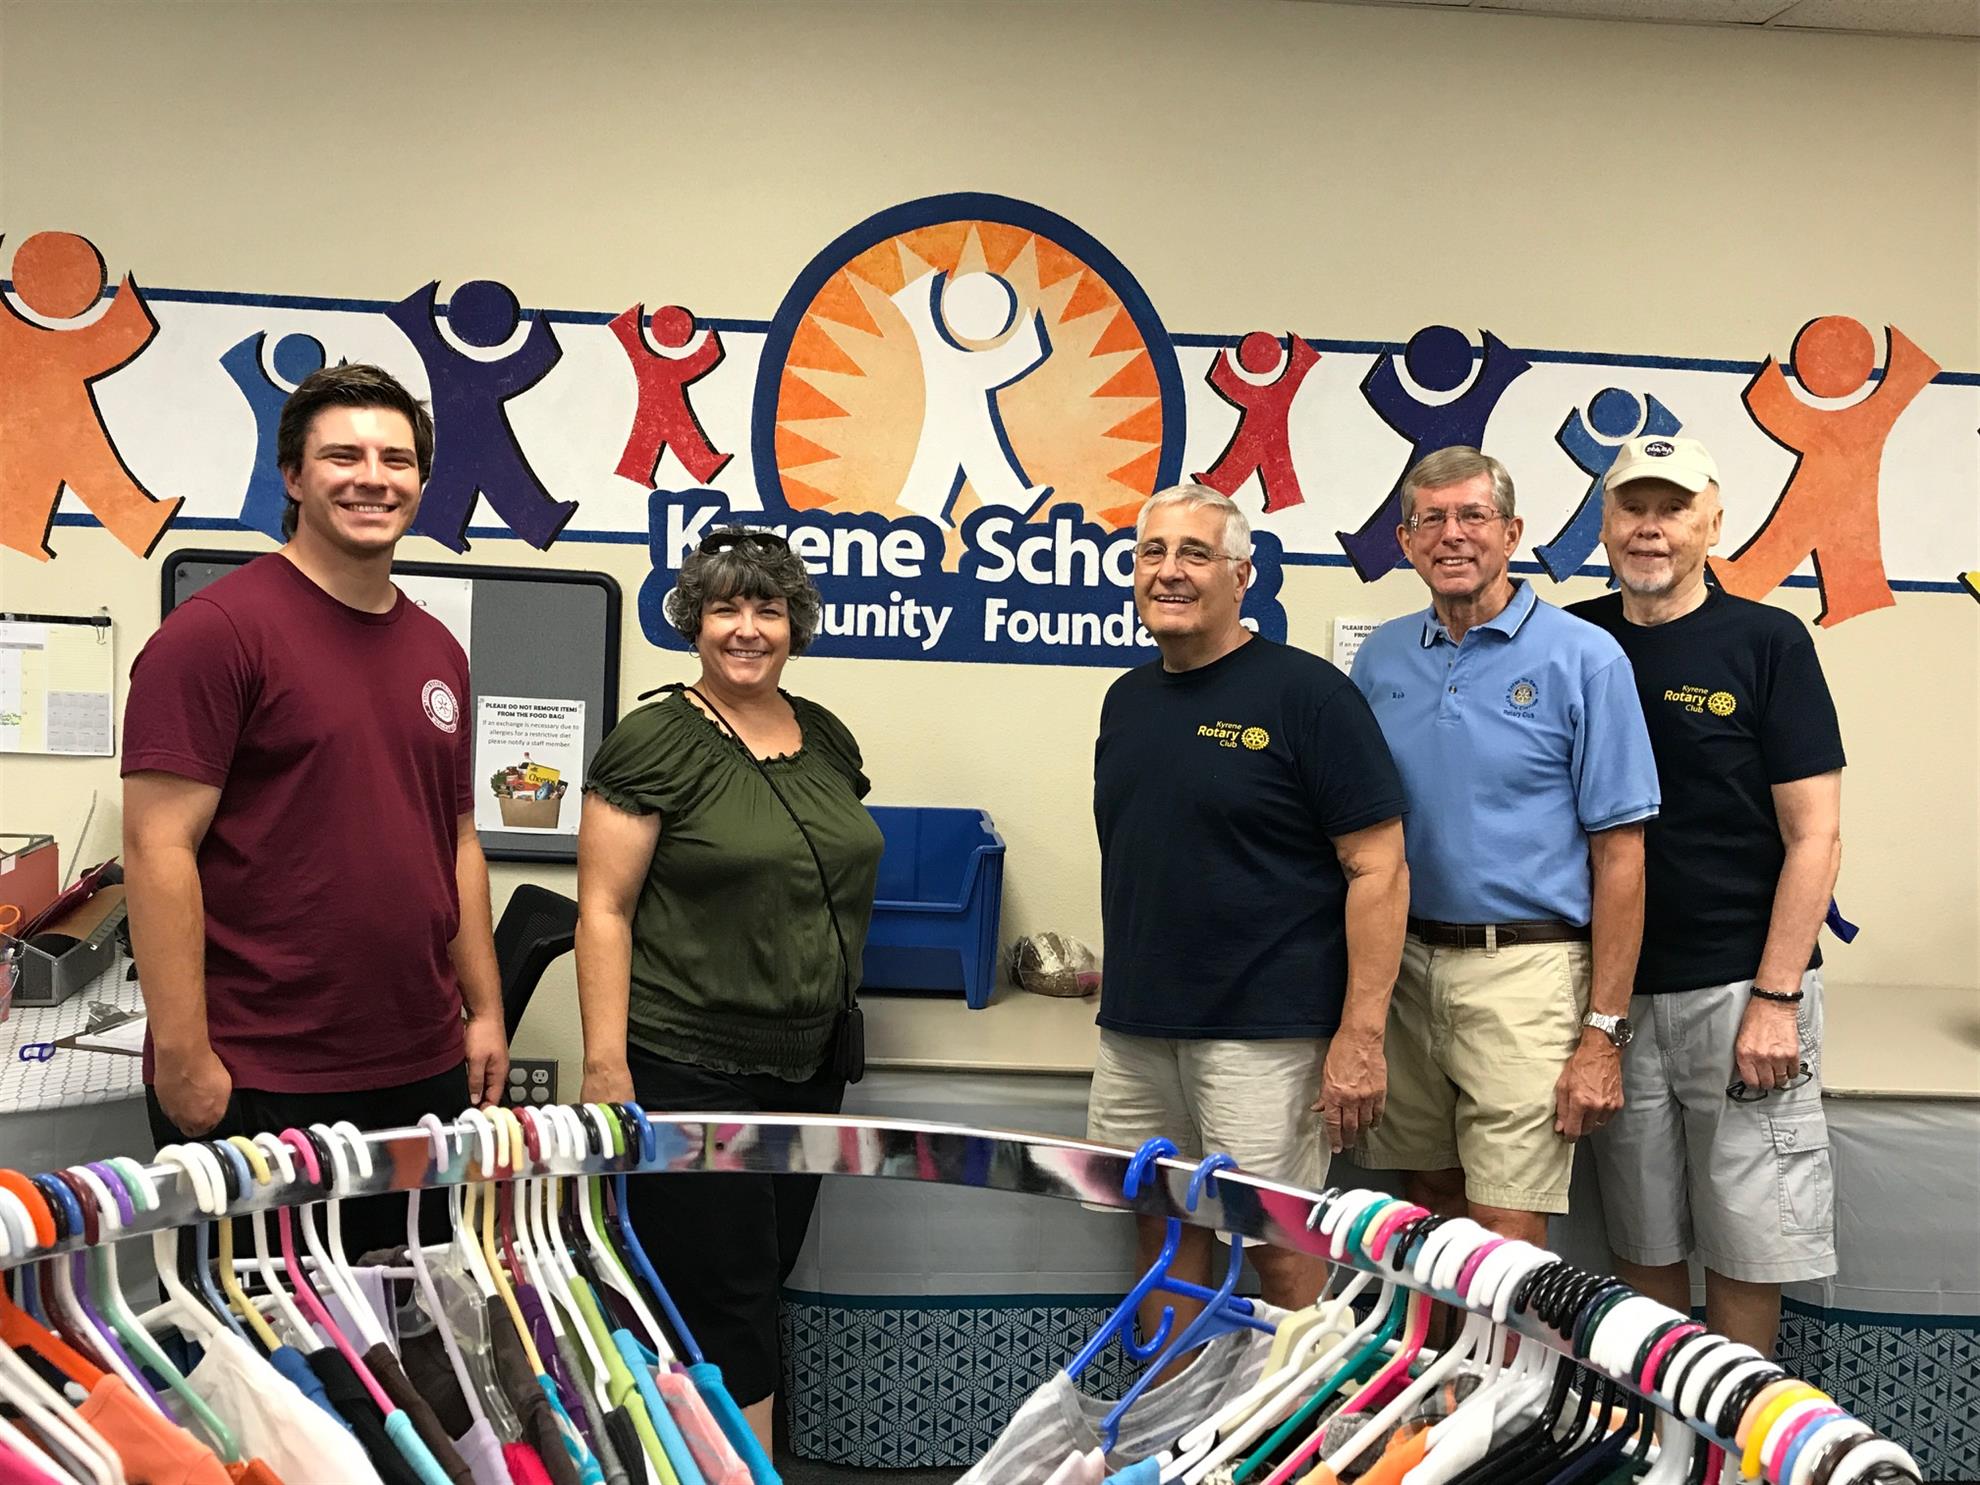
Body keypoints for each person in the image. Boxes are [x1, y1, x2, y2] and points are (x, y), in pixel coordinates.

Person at [122, 362, 508, 1252]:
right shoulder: (216, 634)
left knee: (408, 1317)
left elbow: (455, 840)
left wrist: (484, 1011)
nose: (374, 477)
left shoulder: (437, 649)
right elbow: (155, 847)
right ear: (293, 476)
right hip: (260, 1076)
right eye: (344, 456)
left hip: (419, 1070)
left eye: (396, 459)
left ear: (420, 482)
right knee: (262, 1332)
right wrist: (184, 1057)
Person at [575, 527, 883, 1452]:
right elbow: (603, 910)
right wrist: (606, 1069)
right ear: (694, 623)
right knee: (728, 1298)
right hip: (690, 1065)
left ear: (795, 624)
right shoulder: (654, 741)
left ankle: (703, 1456)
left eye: (768, 609)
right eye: (725, 608)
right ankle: (739, 1469)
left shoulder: (825, 735)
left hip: (809, 1065)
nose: (748, 629)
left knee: (761, 1278)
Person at [1090, 482, 1410, 1338]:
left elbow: (1379, 867)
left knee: (1277, 1242)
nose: (1169, 571)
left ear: (1242, 575)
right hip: (1138, 1030)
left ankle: (1297, 1417)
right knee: (1161, 1233)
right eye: (1153, 552)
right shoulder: (1127, 700)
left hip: (1265, 1036)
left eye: (1194, 553)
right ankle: (1173, 1412)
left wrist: (1360, 1035)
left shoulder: (1307, 696)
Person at [1571, 435, 1844, 1354]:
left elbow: (1815, 835)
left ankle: (1733, 1432)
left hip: (1740, 992)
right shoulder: (1572, 641)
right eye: (1632, 507)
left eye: (1674, 508)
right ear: (1604, 524)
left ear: (1714, 524)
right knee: (1642, 1239)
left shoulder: (1767, 642)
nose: (1650, 528)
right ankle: (1661, 1424)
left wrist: (1776, 996)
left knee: (1746, 1245)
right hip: (1613, 996)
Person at [1349, 446, 1659, 1244]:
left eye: (1473, 515)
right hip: (1404, 968)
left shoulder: (1586, 658)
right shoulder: (1380, 658)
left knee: (1504, 1219)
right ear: (1406, 541)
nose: (1452, 534)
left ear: (1512, 532)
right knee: (1425, 1198)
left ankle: (1502, 1344)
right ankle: (1438, 1340)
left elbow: (1621, 857)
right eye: (1431, 519)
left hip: (1527, 969)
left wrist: (1604, 1032)